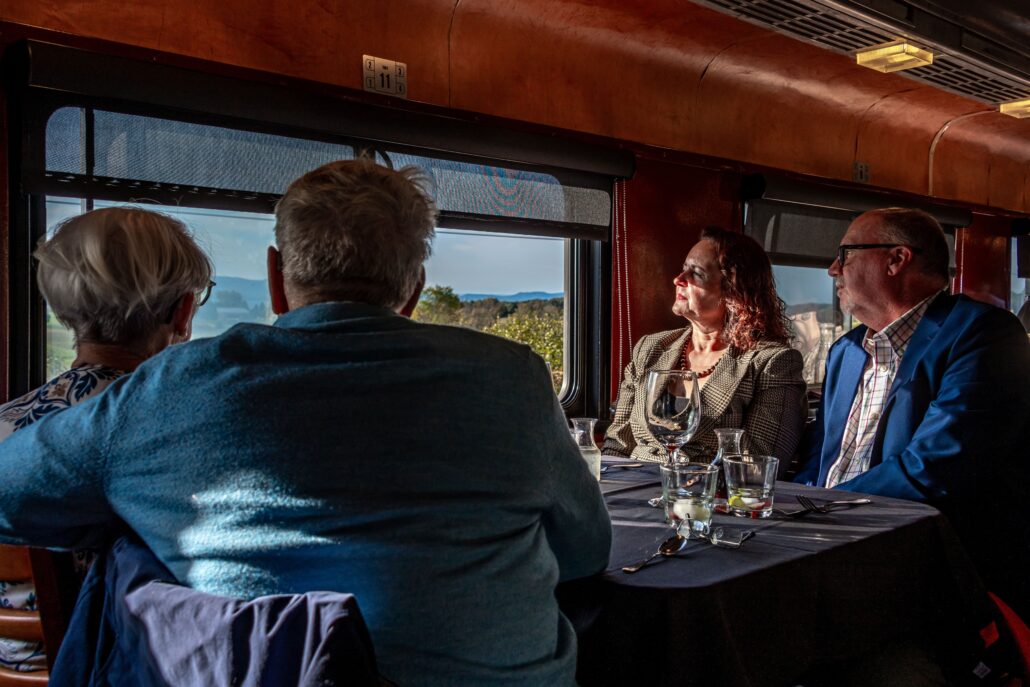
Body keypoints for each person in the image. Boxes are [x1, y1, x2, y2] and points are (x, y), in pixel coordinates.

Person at [0, 159, 611, 686]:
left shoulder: (169, 387)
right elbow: (586, 551)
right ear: (415, 289)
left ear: (275, 277)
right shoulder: (515, 378)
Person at [0, 207, 213, 673]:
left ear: (61, 309)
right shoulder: (182, 432)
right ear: (182, 313)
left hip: (13, 661)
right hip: (118, 664)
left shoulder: (7, 425)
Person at [795, 207, 1030, 619]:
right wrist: (778, 506)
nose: (834, 269)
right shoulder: (846, 350)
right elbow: (820, 458)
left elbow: (937, 465)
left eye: (846, 254)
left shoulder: (982, 334)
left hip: (917, 551)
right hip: (825, 538)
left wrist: (821, 508)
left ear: (896, 259)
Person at [604, 227, 806, 466]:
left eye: (696, 274)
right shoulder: (650, 348)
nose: (678, 279)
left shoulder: (771, 362)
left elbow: (757, 465)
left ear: (734, 292)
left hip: (708, 495)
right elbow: (617, 445)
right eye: (684, 268)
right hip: (633, 489)